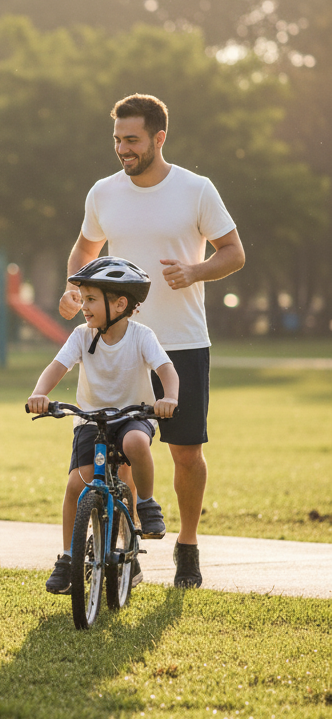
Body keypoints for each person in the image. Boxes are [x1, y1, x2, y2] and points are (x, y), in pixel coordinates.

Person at [58, 93, 245, 587]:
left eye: (132, 139)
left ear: (159, 138)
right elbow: (85, 248)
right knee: (116, 450)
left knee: (185, 453)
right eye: (117, 139)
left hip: (181, 343)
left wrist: (196, 270)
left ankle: (188, 545)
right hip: (118, 344)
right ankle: (125, 553)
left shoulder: (196, 190)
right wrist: (75, 289)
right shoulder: (103, 192)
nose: (123, 148)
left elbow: (233, 252)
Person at [29, 258, 179, 594]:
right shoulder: (82, 336)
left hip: (133, 416)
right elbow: (57, 367)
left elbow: (167, 370)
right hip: (91, 419)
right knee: (75, 485)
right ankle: (69, 557)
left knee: (135, 446)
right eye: (83, 299)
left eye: (91, 299)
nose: (83, 306)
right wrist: (40, 394)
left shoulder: (141, 336)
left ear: (120, 304)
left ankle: (146, 504)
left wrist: (169, 398)